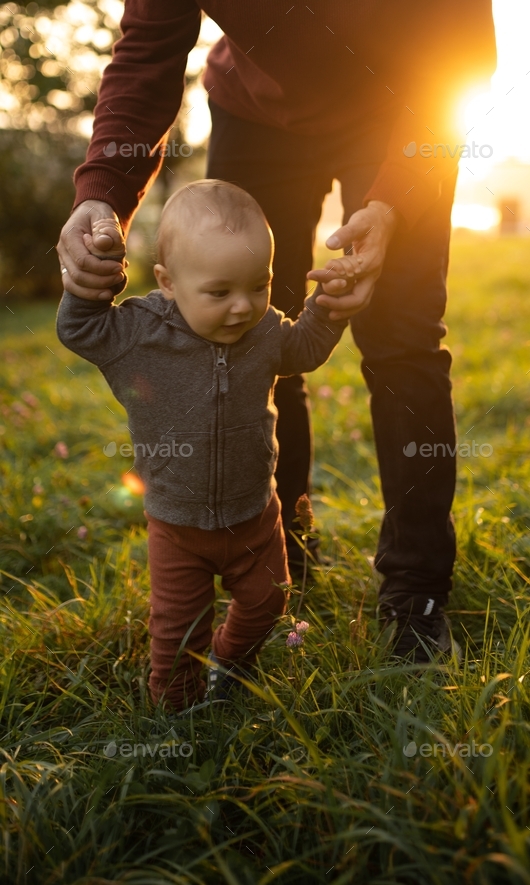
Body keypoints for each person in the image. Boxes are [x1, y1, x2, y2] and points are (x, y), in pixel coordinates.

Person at [57, 2, 497, 661]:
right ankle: (281, 545)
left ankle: (417, 591)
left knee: (404, 342)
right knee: (245, 332)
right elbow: (148, 49)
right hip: (258, 115)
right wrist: (102, 194)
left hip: (405, 108)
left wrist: (394, 200)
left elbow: (459, 55)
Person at [56, 180, 351, 712]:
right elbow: (79, 329)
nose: (243, 307)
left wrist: (327, 307)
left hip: (255, 515)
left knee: (270, 601)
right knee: (176, 634)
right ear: (168, 282)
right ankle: (177, 717)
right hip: (178, 524)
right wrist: (92, 277)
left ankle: (230, 660)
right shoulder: (137, 336)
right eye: (219, 292)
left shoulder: (262, 331)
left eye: (258, 285)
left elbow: (304, 346)